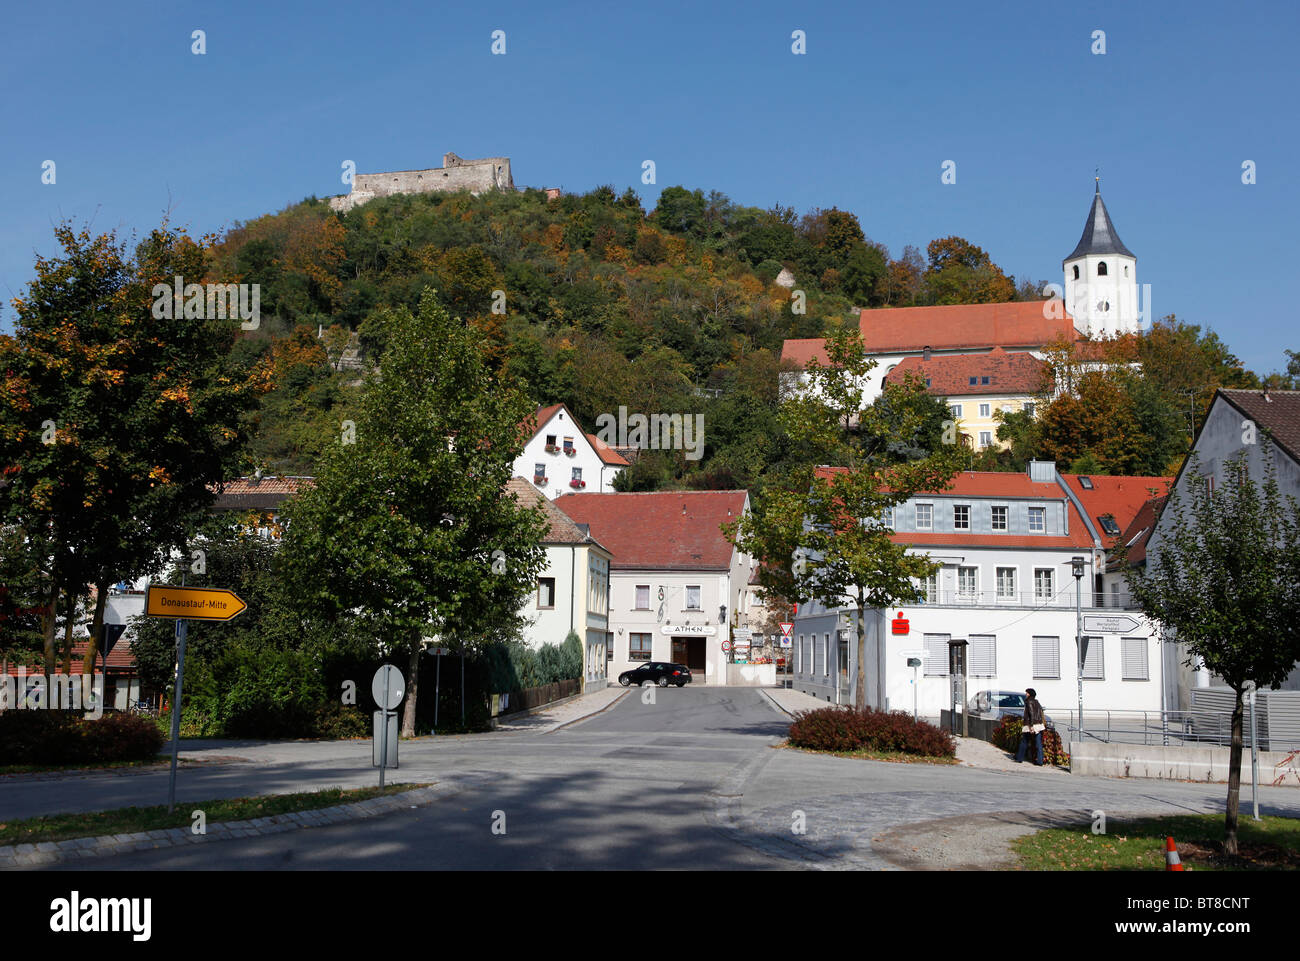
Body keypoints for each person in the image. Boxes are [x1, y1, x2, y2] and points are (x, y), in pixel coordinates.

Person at [1015, 688, 1046, 765]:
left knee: (1024, 741)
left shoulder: (1028, 702)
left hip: (1031, 725)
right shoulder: (1037, 702)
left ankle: (1019, 758)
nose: (1025, 694)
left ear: (1029, 694)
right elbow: (1040, 712)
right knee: (1038, 743)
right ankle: (1040, 761)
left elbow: (1031, 714)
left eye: (1026, 693)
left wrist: (1031, 726)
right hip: (1039, 724)